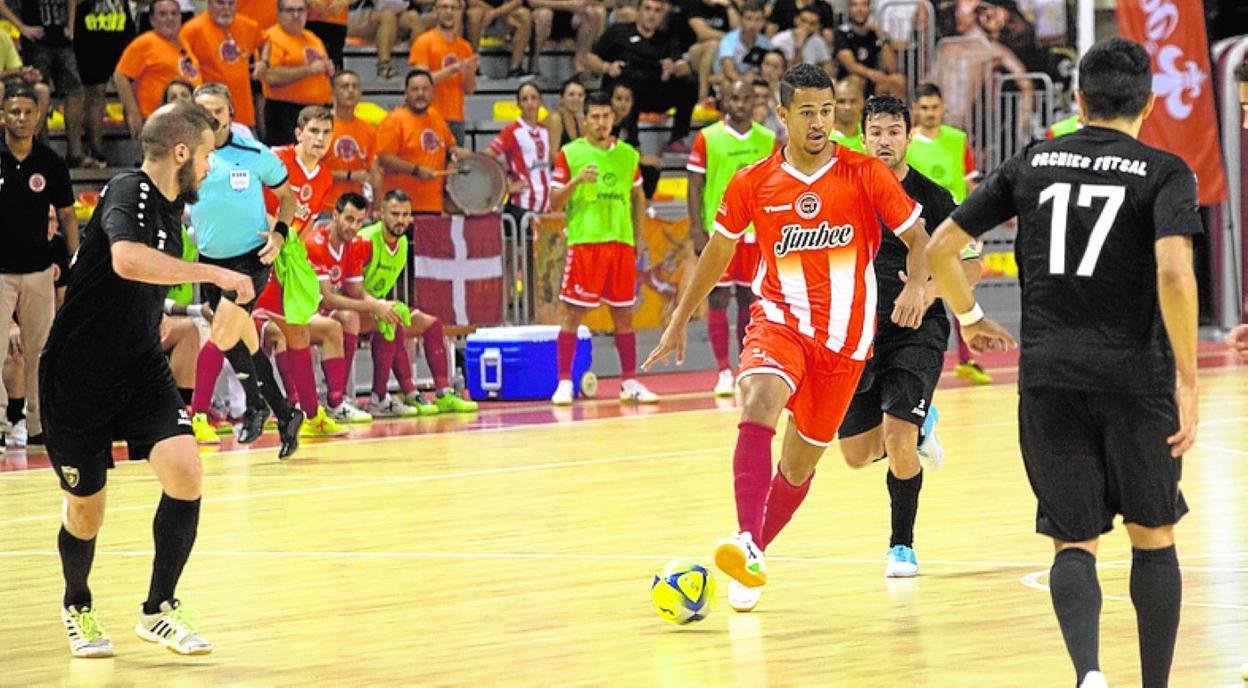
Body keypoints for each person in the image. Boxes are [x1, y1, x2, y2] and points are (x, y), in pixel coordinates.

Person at [926, 38, 1200, 688]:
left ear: (1078, 100)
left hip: (1048, 376)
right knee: (1153, 536)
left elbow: (942, 248)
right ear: (1149, 102)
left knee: (1073, 542)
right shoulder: (1166, 170)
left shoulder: (1032, 161)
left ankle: (1088, 675)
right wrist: (1189, 379)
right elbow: (1174, 272)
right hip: (1138, 379)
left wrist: (970, 319)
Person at [643, 63, 927, 613]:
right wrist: (679, 318)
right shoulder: (753, 182)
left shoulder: (865, 172)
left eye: (827, 110)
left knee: (798, 467)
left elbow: (917, 237)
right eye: (807, 112)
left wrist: (917, 283)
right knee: (758, 398)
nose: (820, 122)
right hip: (780, 320)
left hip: (844, 342)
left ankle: (753, 557)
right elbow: (719, 251)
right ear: (783, 115)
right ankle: (747, 538)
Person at [42, 102, 252, 658]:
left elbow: (144, 282)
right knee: (86, 508)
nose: (210, 167)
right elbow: (127, 261)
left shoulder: (171, 208)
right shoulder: (128, 190)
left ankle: (159, 608)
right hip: (77, 374)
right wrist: (214, 273)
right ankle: (78, 605)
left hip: (138, 364)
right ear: (182, 152)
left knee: (186, 471)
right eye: (207, 155)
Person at [838, 94, 984, 578]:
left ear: (908, 136)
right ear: (862, 138)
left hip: (917, 331)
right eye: (875, 131)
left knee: (898, 436)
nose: (884, 140)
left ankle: (901, 547)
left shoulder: (936, 198)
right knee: (857, 455)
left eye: (893, 131)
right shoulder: (846, 191)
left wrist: (925, 289)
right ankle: (923, 423)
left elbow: (974, 264)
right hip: (859, 332)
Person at [188, 82, 303, 458]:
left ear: (230, 113)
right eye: (202, 111)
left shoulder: (254, 153)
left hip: (251, 259)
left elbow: (287, 197)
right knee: (244, 345)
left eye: (217, 110)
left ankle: (254, 406)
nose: (210, 117)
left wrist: (281, 234)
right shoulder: (186, 156)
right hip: (209, 262)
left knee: (221, 333)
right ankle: (286, 414)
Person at [252, 105, 360, 430]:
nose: (320, 138)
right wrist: (277, 234)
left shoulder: (325, 177)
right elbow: (252, 203)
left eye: (326, 133)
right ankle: (204, 412)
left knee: (297, 331)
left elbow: (306, 220)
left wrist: (289, 248)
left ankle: (311, 415)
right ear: (298, 133)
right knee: (229, 335)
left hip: (283, 257)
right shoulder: (275, 158)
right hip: (253, 252)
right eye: (313, 131)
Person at [549, 89, 658, 405]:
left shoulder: (627, 154)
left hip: (621, 245)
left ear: (614, 118)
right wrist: (576, 181)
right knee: (572, 314)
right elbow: (554, 201)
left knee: (624, 316)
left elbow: (638, 197)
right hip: (586, 243)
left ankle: (629, 382)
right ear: (584, 120)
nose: (601, 122)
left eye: (606, 116)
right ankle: (564, 383)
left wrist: (640, 237)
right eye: (594, 117)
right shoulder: (570, 154)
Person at [349, 190, 481, 415]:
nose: (400, 220)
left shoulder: (401, 245)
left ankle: (442, 393)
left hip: (375, 307)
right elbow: (350, 287)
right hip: (351, 307)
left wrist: (385, 305)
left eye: (405, 215)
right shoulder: (365, 240)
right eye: (394, 214)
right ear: (381, 213)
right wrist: (378, 306)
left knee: (431, 323)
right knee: (391, 319)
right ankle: (384, 396)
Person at [0, 82, 78, 450]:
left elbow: (66, 215)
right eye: (14, 111)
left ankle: (37, 424)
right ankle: (1, 424)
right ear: (3, 115)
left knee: (40, 351)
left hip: (38, 270)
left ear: (38, 116)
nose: (21, 118)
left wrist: (76, 259)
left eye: (28, 112)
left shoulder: (50, 162)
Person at [685, 79, 774, 397]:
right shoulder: (707, 137)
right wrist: (697, 229)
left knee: (752, 301)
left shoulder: (768, 139)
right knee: (719, 298)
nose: (739, 104)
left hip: (758, 234)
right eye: (733, 98)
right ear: (724, 101)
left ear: (755, 101)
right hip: (721, 232)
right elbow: (694, 185)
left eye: (746, 98)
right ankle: (722, 370)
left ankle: (744, 366)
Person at [907, 81, 991, 385]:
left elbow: (970, 183)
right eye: (924, 107)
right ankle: (913, 359)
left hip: (954, 226)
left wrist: (978, 219)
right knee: (918, 290)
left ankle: (967, 360)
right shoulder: (907, 141)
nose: (930, 113)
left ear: (943, 108)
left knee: (959, 289)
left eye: (934, 107)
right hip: (917, 230)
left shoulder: (958, 140)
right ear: (915, 109)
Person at [588, 0, 698, 155]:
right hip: (624, 90)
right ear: (638, 11)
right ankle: (632, 140)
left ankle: (677, 137)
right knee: (628, 84)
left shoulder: (667, 39)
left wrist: (674, 68)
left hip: (654, 92)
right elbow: (589, 57)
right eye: (647, 9)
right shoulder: (619, 32)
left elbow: (683, 67)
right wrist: (607, 67)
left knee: (690, 83)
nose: (652, 15)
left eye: (657, 11)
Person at [1, 0, 89, 166]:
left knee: (76, 91)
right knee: (37, 93)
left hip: (63, 40)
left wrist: (71, 24)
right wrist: (21, 27)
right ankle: (40, 149)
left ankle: (75, 153)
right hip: (37, 41)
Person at [375, 69, 465, 215]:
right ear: (406, 93)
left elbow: (450, 147)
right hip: (400, 208)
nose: (420, 94)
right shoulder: (394, 120)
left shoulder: (436, 117)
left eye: (425, 89)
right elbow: (384, 158)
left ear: (432, 92)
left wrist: (456, 152)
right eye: (415, 89)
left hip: (433, 206)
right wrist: (416, 170)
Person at [113, 0, 203, 139]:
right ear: (152, 20)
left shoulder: (184, 42)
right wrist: (132, 112)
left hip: (185, 122)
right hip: (157, 122)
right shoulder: (144, 43)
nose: (170, 18)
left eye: (174, 14)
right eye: (163, 14)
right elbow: (120, 75)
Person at [181, 0, 264, 131]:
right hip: (209, 115)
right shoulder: (191, 30)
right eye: (220, 3)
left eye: (230, 4)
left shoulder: (248, 25)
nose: (226, 8)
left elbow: (265, 40)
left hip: (243, 114)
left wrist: (263, 62)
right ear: (209, 4)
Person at [260, 0, 333, 147]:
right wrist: (309, 70)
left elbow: (321, 69)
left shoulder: (313, 38)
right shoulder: (271, 38)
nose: (296, 15)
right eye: (290, 10)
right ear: (279, 14)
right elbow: (270, 76)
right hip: (285, 111)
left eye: (300, 10)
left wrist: (328, 69)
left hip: (317, 109)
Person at [408, 0, 477, 146]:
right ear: (435, 11)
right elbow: (420, 82)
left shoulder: (465, 47)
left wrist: (469, 72)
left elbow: (470, 89)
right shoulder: (424, 41)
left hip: (457, 118)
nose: (449, 12)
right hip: (430, 116)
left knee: (455, 166)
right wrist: (452, 69)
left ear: (460, 12)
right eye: (444, 7)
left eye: (453, 8)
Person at [73, 0, 132, 166]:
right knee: (95, 94)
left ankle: (141, 148)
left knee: (131, 95)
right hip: (90, 36)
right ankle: (97, 150)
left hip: (121, 31)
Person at [324, 70, 382, 213]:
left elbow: (375, 173)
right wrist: (349, 175)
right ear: (333, 92)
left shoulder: (368, 129)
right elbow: (311, 171)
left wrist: (377, 207)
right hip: (324, 206)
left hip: (355, 209)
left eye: (355, 86)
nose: (350, 91)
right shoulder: (321, 125)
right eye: (344, 86)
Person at [833, 0, 906, 96]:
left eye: (864, 5)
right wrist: (871, 74)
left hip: (875, 80)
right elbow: (851, 66)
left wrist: (882, 38)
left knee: (898, 79)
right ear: (849, 10)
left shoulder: (875, 33)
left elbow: (892, 67)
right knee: (857, 80)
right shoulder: (842, 33)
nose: (860, 9)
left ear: (870, 9)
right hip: (851, 78)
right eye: (855, 5)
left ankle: (896, 110)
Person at [465, 0, 533, 78]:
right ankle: (474, 67)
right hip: (483, 15)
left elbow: (517, 2)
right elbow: (471, 1)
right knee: (474, 14)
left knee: (524, 14)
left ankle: (515, 69)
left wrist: (495, 13)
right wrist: (490, 13)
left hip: (502, 15)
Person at [770, 6, 834, 76]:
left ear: (817, 26)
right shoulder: (779, 40)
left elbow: (829, 68)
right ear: (796, 20)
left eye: (812, 24)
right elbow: (793, 74)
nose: (806, 26)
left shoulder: (818, 41)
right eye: (803, 21)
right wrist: (799, 46)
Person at [717, 0, 770, 84]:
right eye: (748, 19)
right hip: (732, 83)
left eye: (758, 19)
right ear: (741, 19)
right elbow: (729, 72)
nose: (753, 24)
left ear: (764, 22)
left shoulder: (766, 43)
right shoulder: (728, 41)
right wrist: (745, 81)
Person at [544, 76, 585, 158]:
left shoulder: (579, 120)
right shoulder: (555, 119)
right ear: (562, 98)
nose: (576, 98)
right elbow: (552, 155)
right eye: (571, 94)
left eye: (580, 95)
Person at [829, 76, 865, 152]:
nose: (848, 107)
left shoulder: (870, 136)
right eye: (841, 101)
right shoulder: (824, 139)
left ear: (862, 102)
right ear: (832, 104)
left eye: (853, 101)